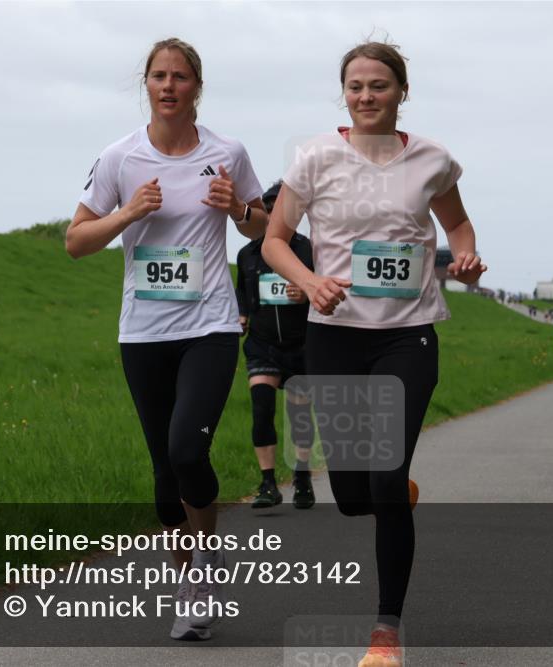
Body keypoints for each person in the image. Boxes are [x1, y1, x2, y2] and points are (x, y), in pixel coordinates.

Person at [262, 40, 485, 667]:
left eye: (379, 86)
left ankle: (386, 632)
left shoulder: (433, 161)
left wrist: (463, 255)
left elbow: (457, 225)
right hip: (333, 334)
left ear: (401, 92)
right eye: (356, 86)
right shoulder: (315, 158)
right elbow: (277, 240)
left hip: (407, 334)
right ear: (345, 93)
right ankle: (390, 491)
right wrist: (309, 283)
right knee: (355, 494)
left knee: (384, 478)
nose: (366, 97)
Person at [65, 38, 268, 641]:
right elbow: (76, 241)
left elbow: (264, 229)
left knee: (187, 451)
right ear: (147, 85)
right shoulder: (119, 158)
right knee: (162, 470)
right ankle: (190, 587)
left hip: (209, 326)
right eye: (159, 76)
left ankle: (204, 561)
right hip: (143, 331)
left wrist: (237, 209)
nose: (170, 86)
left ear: (196, 87)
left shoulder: (227, 152)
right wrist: (126, 216)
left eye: (181, 77)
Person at [236, 181, 317, 509]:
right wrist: (240, 315)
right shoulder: (247, 254)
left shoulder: (309, 249)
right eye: (267, 208)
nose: (272, 214)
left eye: (279, 209)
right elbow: (242, 291)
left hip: (301, 344)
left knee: (299, 415)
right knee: (261, 408)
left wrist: (307, 293)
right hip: (262, 342)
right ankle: (268, 483)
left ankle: (302, 478)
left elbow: (325, 290)